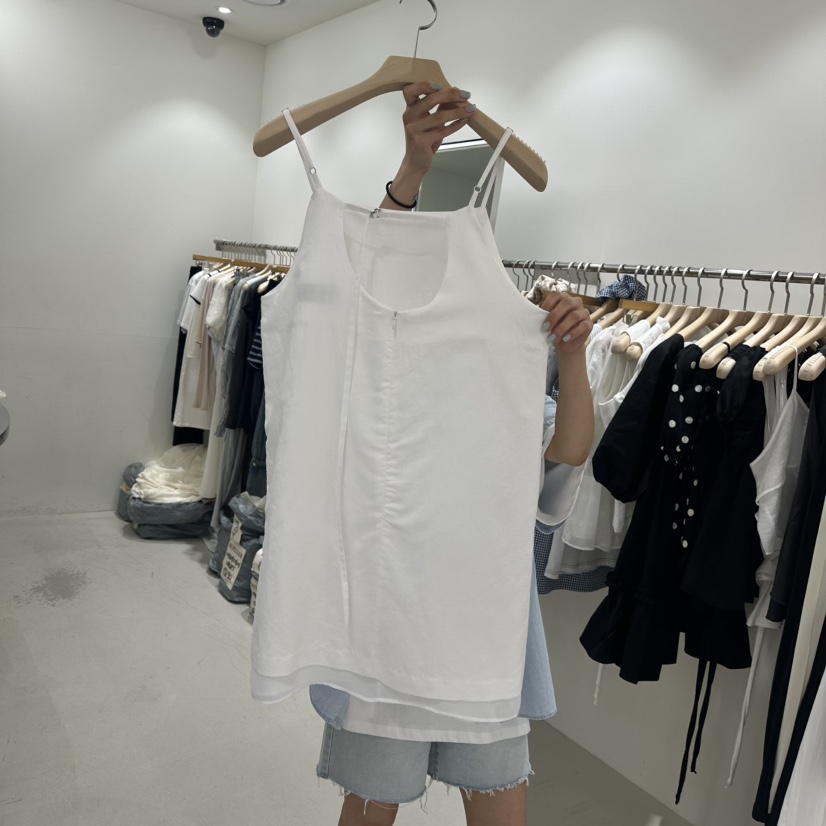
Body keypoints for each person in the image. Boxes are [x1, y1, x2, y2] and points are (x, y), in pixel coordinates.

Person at [331, 82, 595, 826]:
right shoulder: (378, 365)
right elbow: (365, 285)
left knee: (499, 804)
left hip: (487, 632)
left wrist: (571, 355)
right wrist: (410, 172)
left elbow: (566, 456)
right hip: (385, 623)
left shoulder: (502, 369)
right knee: (371, 806)